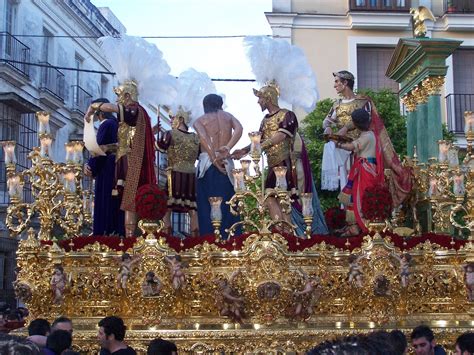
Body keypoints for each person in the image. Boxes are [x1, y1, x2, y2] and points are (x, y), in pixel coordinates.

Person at [232, 84, 328, 236]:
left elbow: (281, 136)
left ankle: (290, 233)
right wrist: (244, 151)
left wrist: (260, 146)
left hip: (286, 164)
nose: (259, 102)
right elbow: (258, 140)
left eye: (260, 98)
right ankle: (280, 231)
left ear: (268, 98)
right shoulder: (265, 120)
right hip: (272, 164)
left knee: (284, 198)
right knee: (269, 198)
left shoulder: (287, 115)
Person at [322, 70, 412, 208]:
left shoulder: (364, 101)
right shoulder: (336, 104)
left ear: (345, 83)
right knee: (345, 184)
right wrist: (328, 128)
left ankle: (362, 214)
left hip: (361, 149)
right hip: (343, 151)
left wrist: (345, 128)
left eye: (337, 82)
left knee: (361, 185)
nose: (334, 86)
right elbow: (327, 121)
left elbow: (363, 119)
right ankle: (349, 218)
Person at [84, 81, 157, 238]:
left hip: (132, 164)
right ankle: (125, 236)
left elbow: (111, 108)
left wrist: (93, 107)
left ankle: (128, 239)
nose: (117, 101)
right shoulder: (125, 119)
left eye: (119, 97)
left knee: (129, 201)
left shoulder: (135, 110)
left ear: (127, 96)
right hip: (124, 163)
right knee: (125, 202)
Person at [193, 94, 243, 238]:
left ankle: (211, 240)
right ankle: (232, 239)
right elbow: (239, 129)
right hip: (226, 164)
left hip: (208, 165)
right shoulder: (228, 116)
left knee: (207, 205)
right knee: (229, 202)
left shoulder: (200, 121)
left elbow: (204, 138)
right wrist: (227, 147)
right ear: (220, 104)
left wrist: (214, 157)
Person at [336, 108, 385, 236]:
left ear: (356, 123)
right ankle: (356, 226)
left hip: (365, 170)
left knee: (360, 196)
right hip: (366, 169)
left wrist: (338, 144)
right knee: (359, 196)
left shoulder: (367, 136)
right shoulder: (369, 134)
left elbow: (352, 146)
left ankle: (363, 226)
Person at [156, 108, 200, 236]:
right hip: (191, 176)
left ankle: (167, 239)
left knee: (167, 208)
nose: (171, 120)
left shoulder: (170, 134)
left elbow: (158, 147)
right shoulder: (196, 138)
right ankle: (194, 241)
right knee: (192, 209)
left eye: (173, 117)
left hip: (174, 175)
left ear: (181, 119)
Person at [84, 98, 124, 236]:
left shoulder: (106, 124)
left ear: (99, 113)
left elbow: (99, 148)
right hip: (118, 167)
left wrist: (90, 166)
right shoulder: (117, 124)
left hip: (107, 168)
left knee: (104, 204)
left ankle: (104, 238)